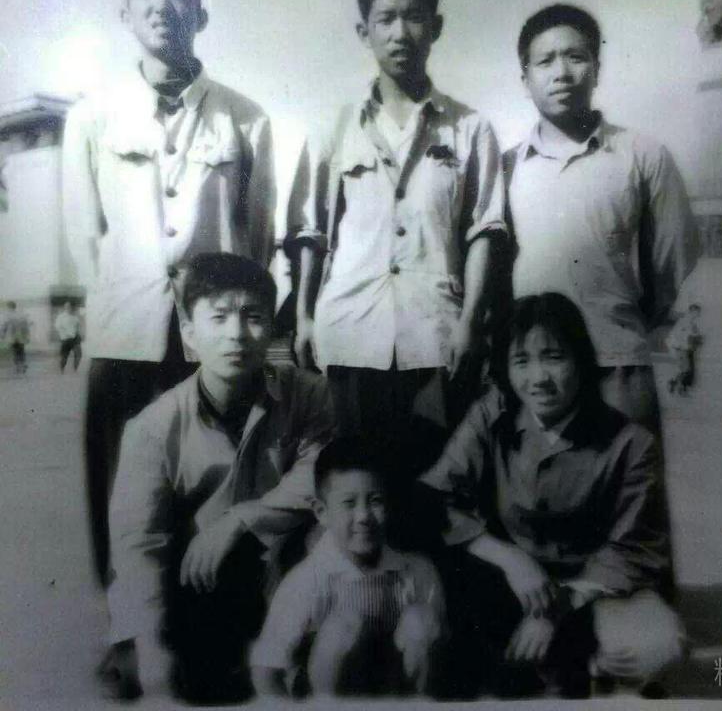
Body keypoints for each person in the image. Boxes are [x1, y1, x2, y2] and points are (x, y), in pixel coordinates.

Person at [62, 0, 276, 590]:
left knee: (214, 484)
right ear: (125, 14)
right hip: (125, 334)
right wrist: (120, 301)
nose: (162, 6)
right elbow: (85, 234)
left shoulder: (246, 118)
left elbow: (256, 236)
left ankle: (208, 623)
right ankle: (128, 620)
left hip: (211, 341)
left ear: (201, 15)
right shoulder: (92, 116)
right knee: (119, 488)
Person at [286, 0, 506, 480]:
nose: (400, 32)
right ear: (364, 32)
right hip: (350, 334)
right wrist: (303, 317)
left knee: (430, 485)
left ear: (436, 26)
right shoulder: (334, 127)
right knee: (353, 485)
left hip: (435, 337)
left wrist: (469, 323)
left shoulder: (470, 128)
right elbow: (309, 231)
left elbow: (484, 231)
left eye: (414, 17)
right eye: (385, 19)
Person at [421, 294, 683, 699]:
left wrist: (554, 609)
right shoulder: (492, 414)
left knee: (659, 644)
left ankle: (577, 665)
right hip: (507, 586)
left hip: (590, 592)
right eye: (521, 361)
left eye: (554, 357)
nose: (538, 378)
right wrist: (510, 559)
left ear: (581, 360)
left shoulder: (632, 443)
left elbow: (633, 549)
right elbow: (438, 497)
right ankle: (550, 667)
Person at [105, 253, 335, 704]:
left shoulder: (308, 394)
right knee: (153, 677)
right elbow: (138, 545)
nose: (237, 334)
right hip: (198, 583)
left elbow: (323, 476)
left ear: (271, 327)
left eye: (253, 317)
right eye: (219, 317)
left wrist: (241, 518)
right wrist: (152, 648)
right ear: (189, 335)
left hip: (281, 571)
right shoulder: (152, 428)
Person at [502, 4, 700, 432]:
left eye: (576, 57)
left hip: (618, 367)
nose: (562, 72)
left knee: (629, 474)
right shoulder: (505, 169)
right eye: (545, 61)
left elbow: (673, 269)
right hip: (534, 377)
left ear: (596, 68)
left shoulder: (643, 157)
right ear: (525, 79)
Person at [251, 436, 445, 698]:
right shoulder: (307, 580)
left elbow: (437, 646)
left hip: (395, 691)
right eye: (349, 503)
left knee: (421, 621)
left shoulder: (415, 570)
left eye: (375, 501)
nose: (363, 516)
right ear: (321, 511)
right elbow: (265, 671)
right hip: (325, 696)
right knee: (344, 627)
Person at [666, 303, 703, 395]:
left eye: (698, 312)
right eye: (697, 312)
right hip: (680, 348)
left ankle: (674, 383)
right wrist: (678, 346)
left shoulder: (691, 323)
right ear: (692, 311)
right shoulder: (684, 321)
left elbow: (694, 335)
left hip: (684, 348)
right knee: (685, 369)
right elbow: (676, 335)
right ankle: (679, 387)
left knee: (684, 369)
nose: (698, 314)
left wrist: (698, 339)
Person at [2, 301, 31, 374]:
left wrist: (2, 334)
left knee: (15, 351)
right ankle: (23, 364)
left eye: (8, 307)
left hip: (13, 336)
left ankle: (18, 366)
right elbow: (26, 326)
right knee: (21, 350)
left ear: (9, 307)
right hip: (21, 336)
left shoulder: (8, 315)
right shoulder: (21, 314)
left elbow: (5, 325)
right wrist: (27, 336)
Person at [54, 300, 83, 372]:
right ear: (65, 307)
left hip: (75, 339)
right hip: (65, 339)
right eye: (67, 306)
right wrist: (65, 334)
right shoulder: (61, 317)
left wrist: (78, 333)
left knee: (79, 354)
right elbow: (58, 327)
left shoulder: (75, 317)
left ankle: (75, 369)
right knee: (64, 356)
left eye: (70, 306)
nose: (69, 308)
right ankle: (62, 369)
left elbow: (78, 326)